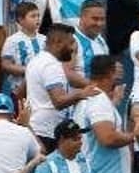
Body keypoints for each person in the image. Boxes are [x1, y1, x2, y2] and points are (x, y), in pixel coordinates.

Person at [72, 55, 132, 173]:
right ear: (110, 74)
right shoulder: (99, 101)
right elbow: (107, 138)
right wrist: (133, 136)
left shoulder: (93, 98)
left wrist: (114, 103)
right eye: (117, 72)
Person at [27, 23, 101, 151]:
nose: (73, 49)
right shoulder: (51, 65)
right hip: (48, 132)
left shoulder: (36, 61)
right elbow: (58, 101)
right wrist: (81, 94)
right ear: (58, 42)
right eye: (70, 43)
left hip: (37, 127)